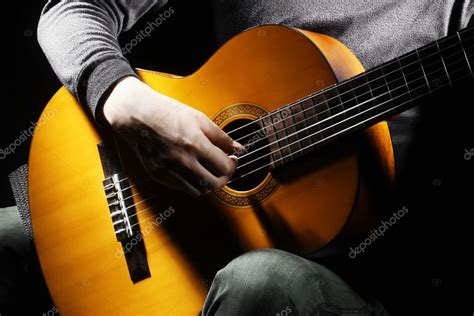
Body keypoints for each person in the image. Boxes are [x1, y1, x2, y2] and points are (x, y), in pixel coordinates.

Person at [1, 0, 472, 314]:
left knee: (256, 282)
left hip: (347, 277)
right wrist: (129, 105)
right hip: (157, 219)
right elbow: (70, 10)